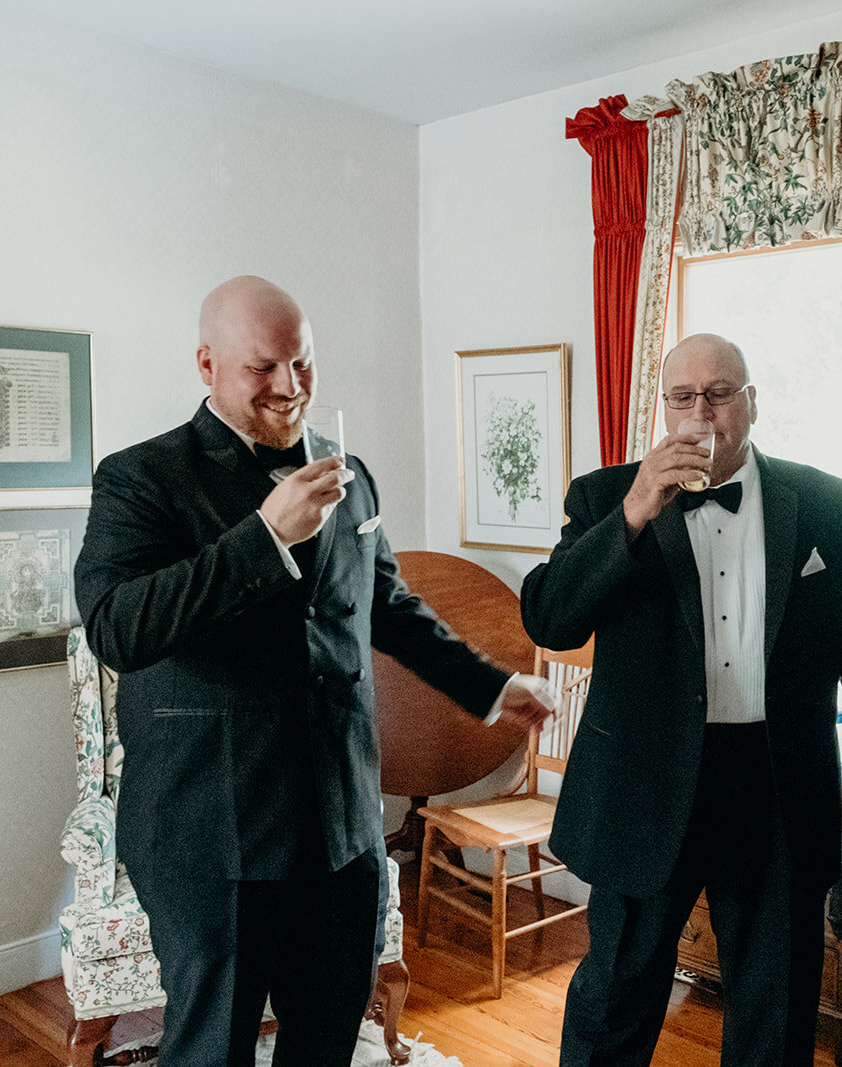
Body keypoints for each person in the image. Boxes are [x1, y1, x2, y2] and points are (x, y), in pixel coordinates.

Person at [74, 276, 553, 1067]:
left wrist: (492, 685)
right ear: (207, 365)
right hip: (210, 835)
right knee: (211, 1051)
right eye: (264, 368)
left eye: (303, 364)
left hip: (341, 829)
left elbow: (390, 605)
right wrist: (262, 535)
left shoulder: (348, 472)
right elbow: (118, 628)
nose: (290, 387)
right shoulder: (140, 478)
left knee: (329, 1041)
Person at [521, 333, 842, 1065]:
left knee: (776, 1011)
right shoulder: (605, 496)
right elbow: (550, 617)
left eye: (720, 394)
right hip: (646, 787)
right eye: (683, 398)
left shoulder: (823, 502)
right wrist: (633, 511)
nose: (703, 414)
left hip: (777, 784)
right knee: (613, 1000)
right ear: (664, 409)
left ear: (751, 402)